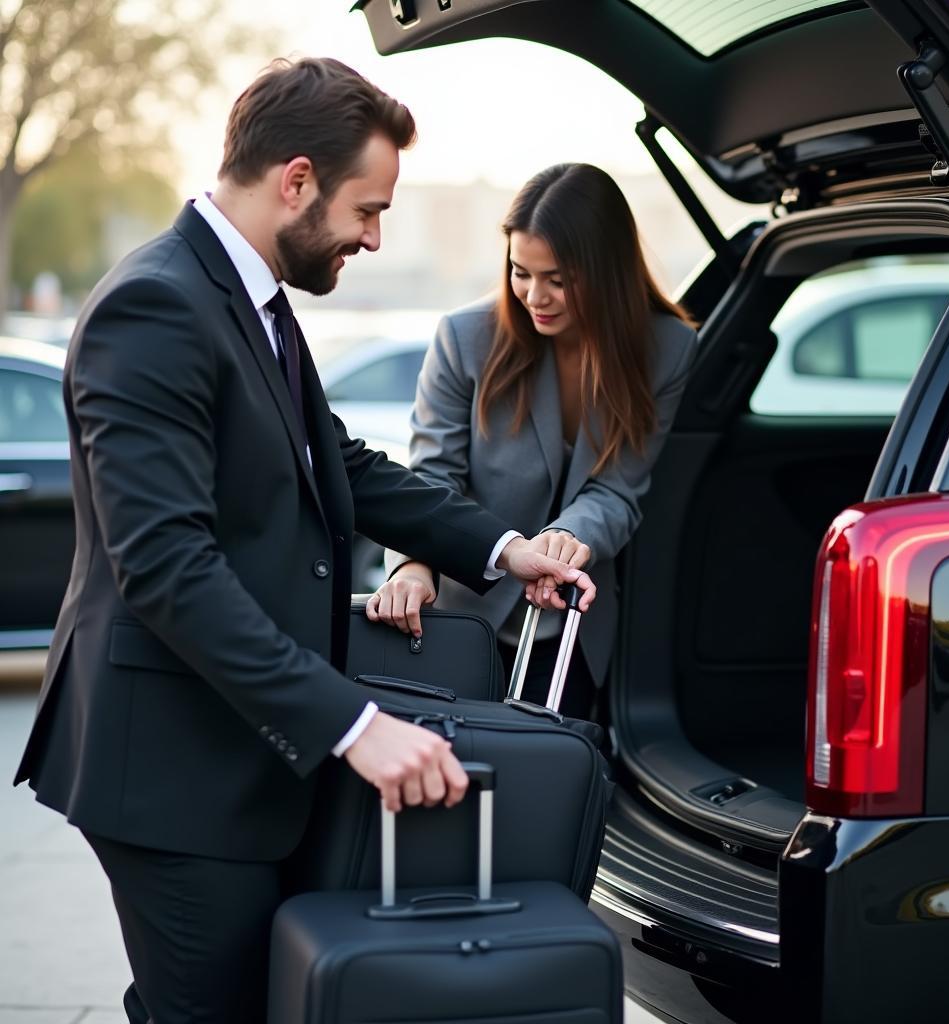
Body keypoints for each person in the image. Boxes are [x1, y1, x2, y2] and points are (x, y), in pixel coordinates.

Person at [12, 59, 595, 1024]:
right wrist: (356, 727)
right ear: (295, 181)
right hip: (174, 772)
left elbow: (343, 468)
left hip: (240, 755)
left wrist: (502, 549)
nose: (374, 236)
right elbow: (164, 567)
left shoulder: (253, 300)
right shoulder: (155, 306)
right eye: (368, 209)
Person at [366, 163, 697, 720]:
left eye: (559, 279)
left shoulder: (667, 347)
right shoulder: (464, 338)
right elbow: (431, 478)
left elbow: (619, 489)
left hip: (573, 624)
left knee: (550, 788)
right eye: (521, 272)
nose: (534, 296)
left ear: (608, 271)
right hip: (462, 616)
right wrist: (414, 567)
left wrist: (568, 539)